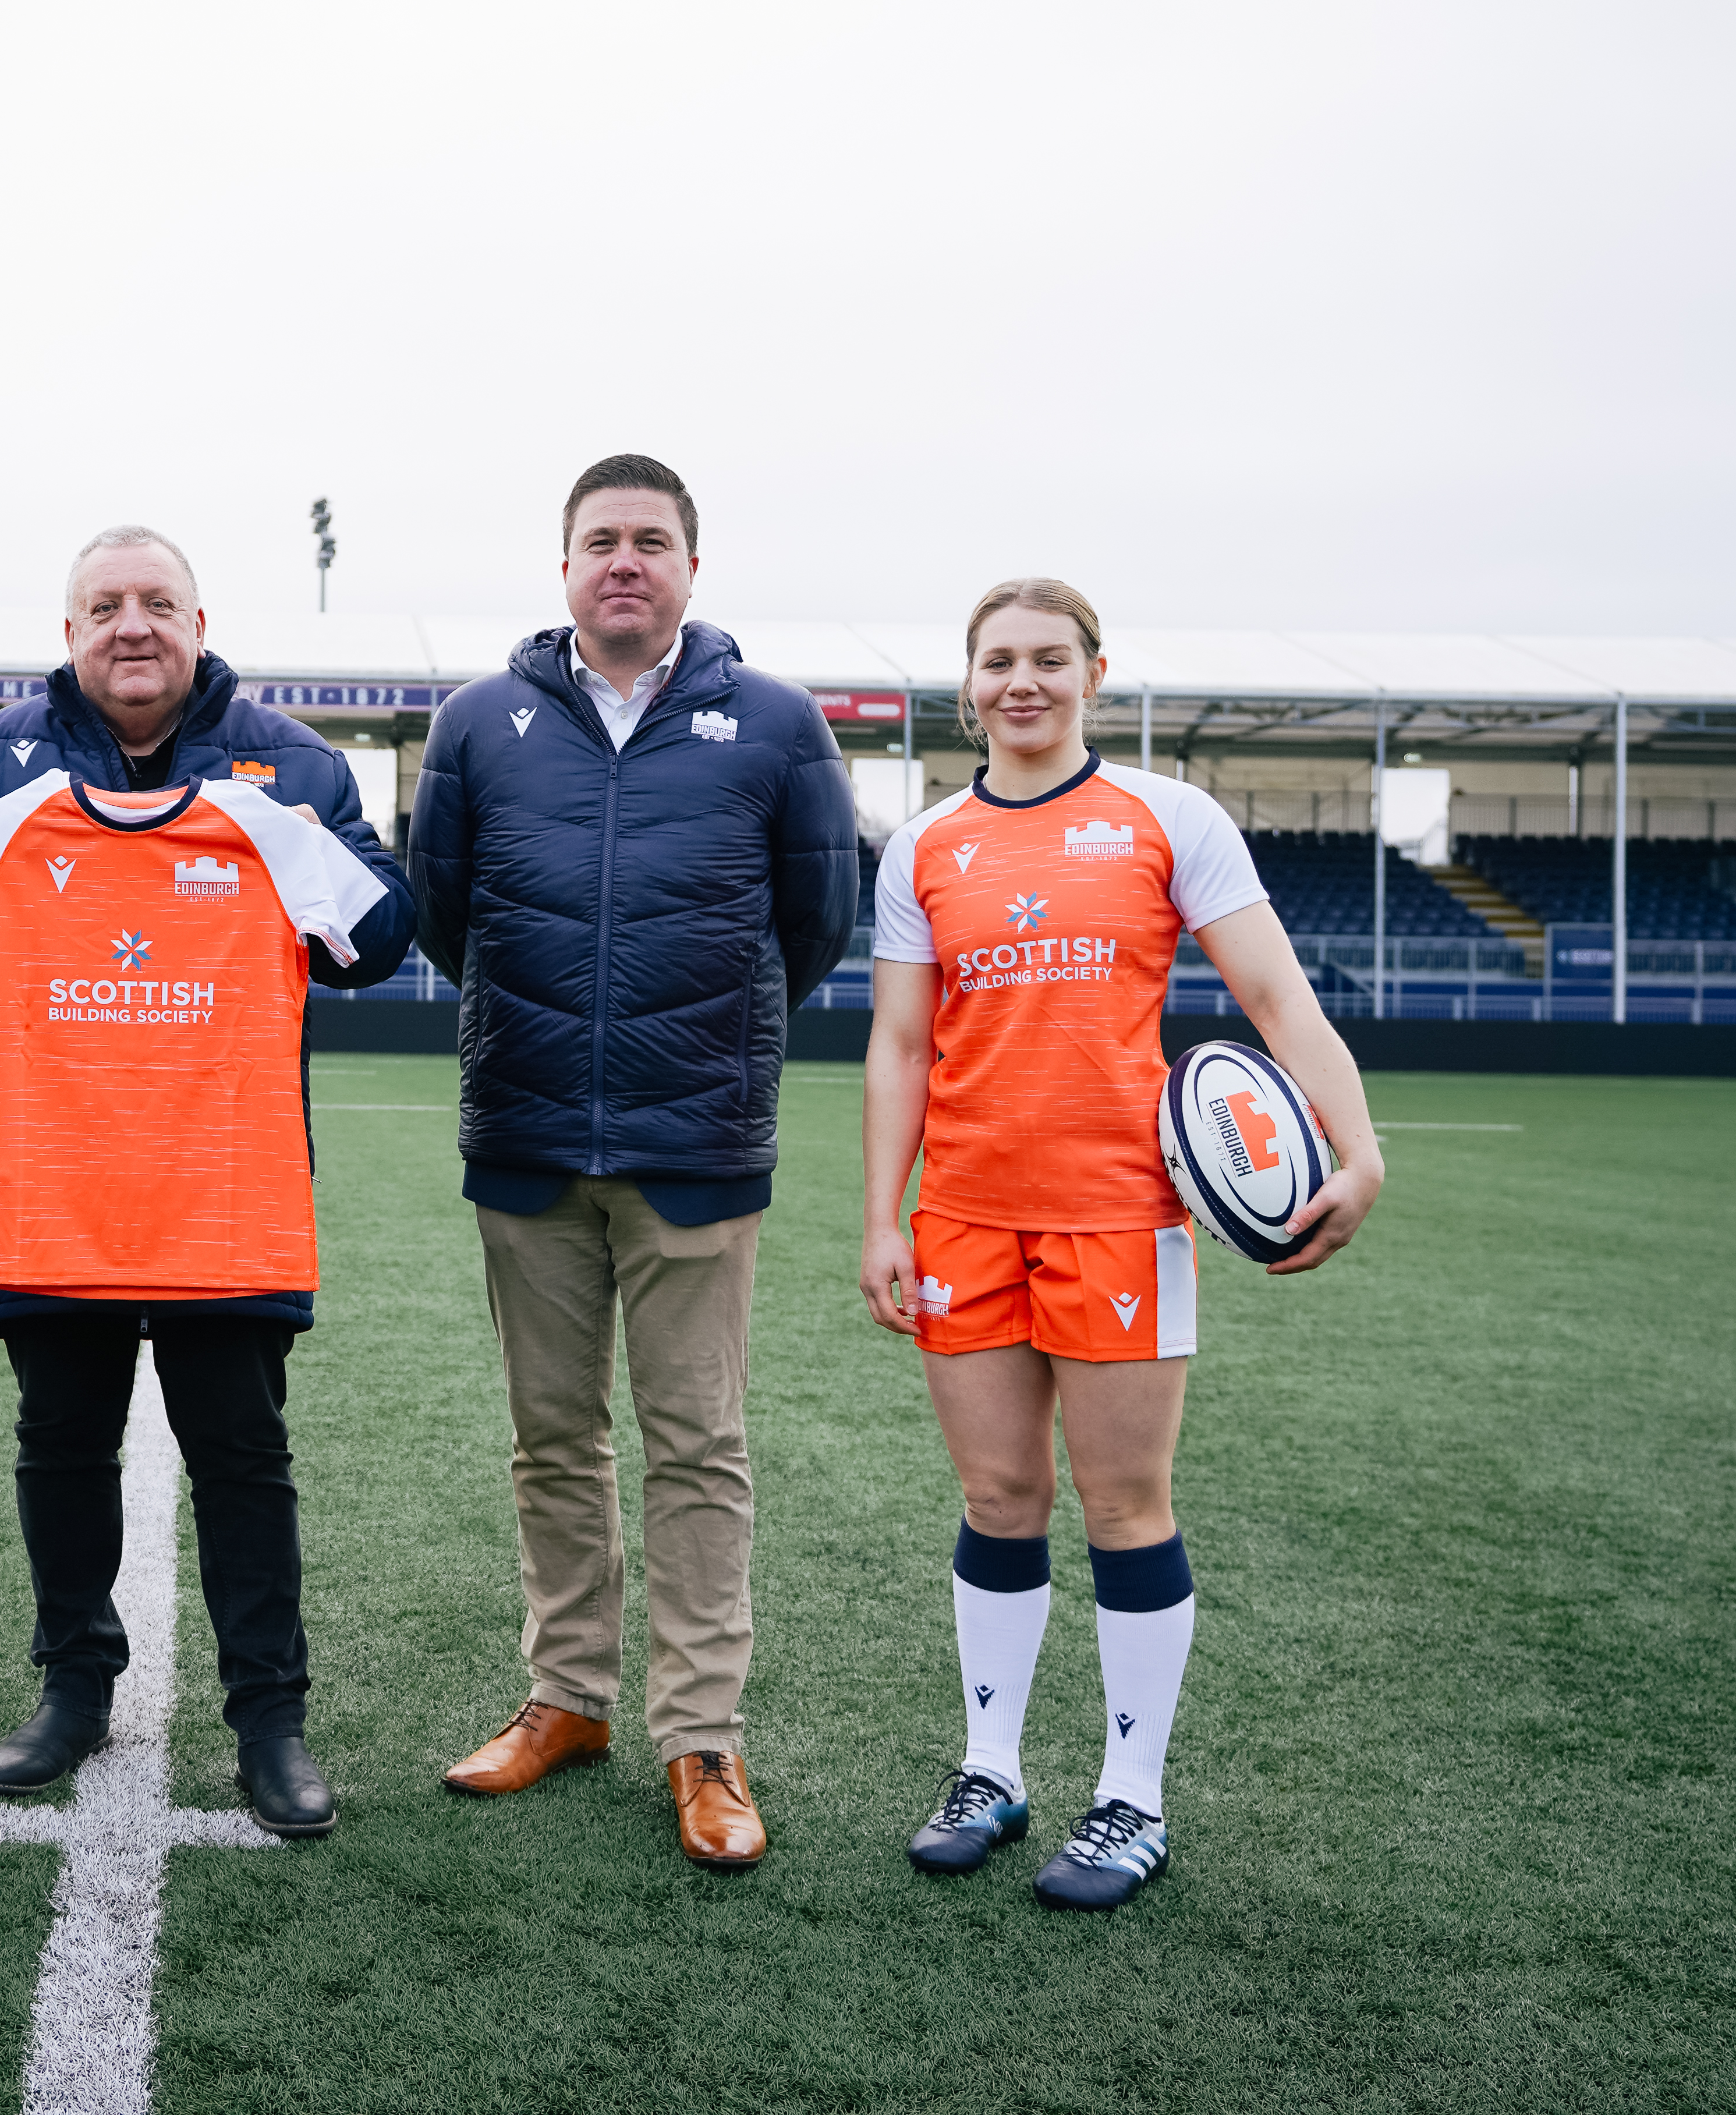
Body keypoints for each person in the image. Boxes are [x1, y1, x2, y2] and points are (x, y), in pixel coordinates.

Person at [0, 525, 414, 1838]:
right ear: (68, 631)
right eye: (103, 604)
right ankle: (73, 1680)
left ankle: (269, 1715)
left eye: (155, 602)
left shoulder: (290, 765)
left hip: (224, 1191)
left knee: (242, 1453)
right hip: (51, 1190)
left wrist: (298, 849)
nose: (131, 625)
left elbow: (378, 937)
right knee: (61, 1442)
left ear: (198, 620)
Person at [860, 578, 1383, 1909]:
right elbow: (902, 1044)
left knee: (1124, 1507)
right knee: (996, 1499)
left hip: (1120, 1217)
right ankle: (989, 1766)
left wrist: (1355, 1145)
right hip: (964, 1213)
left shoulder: (1169, 817)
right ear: (965, 682)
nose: (1019, 681)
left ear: (1095, 671)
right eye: (995, 661)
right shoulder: (923, 843)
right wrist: (880, 1214)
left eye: (1047, 659)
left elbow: (1276, 997)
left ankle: (1129, 1797)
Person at [406, 454, 857, 1868]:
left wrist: (699, 1040)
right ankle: (568, 1698)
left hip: (696, 1145)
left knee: (698, 1448)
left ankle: (702, 1735)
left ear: (689, 567)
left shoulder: (778, 724)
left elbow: (813, 926)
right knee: (552, 1440)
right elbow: (440, 913)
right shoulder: (481, 722)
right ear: (562, 566)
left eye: (649, 541)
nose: (623, 561)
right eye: (599, 539)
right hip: (528, 1135)